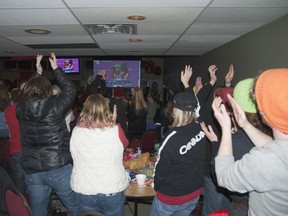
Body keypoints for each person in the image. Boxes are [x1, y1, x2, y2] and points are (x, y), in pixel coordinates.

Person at [211, 68, 288, 216]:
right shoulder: (277, 150)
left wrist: (226, 128)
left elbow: (223, 177)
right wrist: (245, 125)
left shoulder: (264, 159)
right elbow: (274, 146)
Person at [16, 53, 79, 216]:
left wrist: (37, 73)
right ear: (48, 90)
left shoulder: (20, 109)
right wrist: (56, 68)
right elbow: (71, 89)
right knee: (75, 209)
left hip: (33, 170)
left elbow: (22, 94)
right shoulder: (55, 106)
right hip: (57, 167)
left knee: (38, 212)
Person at [201, 78, 272, 216]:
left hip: (242, 206)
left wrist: (216, 142)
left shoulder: (236, 140)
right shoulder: (269, 133)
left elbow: (219, 176)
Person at [150, 65, 206, 216]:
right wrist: (187, 85)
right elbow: (196, 106)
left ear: (175, 110)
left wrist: (155, 186)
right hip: (194, 193)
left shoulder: (170, 137)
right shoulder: (201, 126)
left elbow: (160, 171)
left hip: (170, 198)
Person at [70, 93, 129, 216]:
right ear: (105, 109)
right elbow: (125, 145)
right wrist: (113, 123)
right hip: (111, 188)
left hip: (84, 188)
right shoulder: (116, 130)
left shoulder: (76, 131)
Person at [4, 86, 27, 194]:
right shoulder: (27, 109)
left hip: (16, 150)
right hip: (29, 150)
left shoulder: (7, 111)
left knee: (19, 185)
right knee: (33, 183)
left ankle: (22, 208)